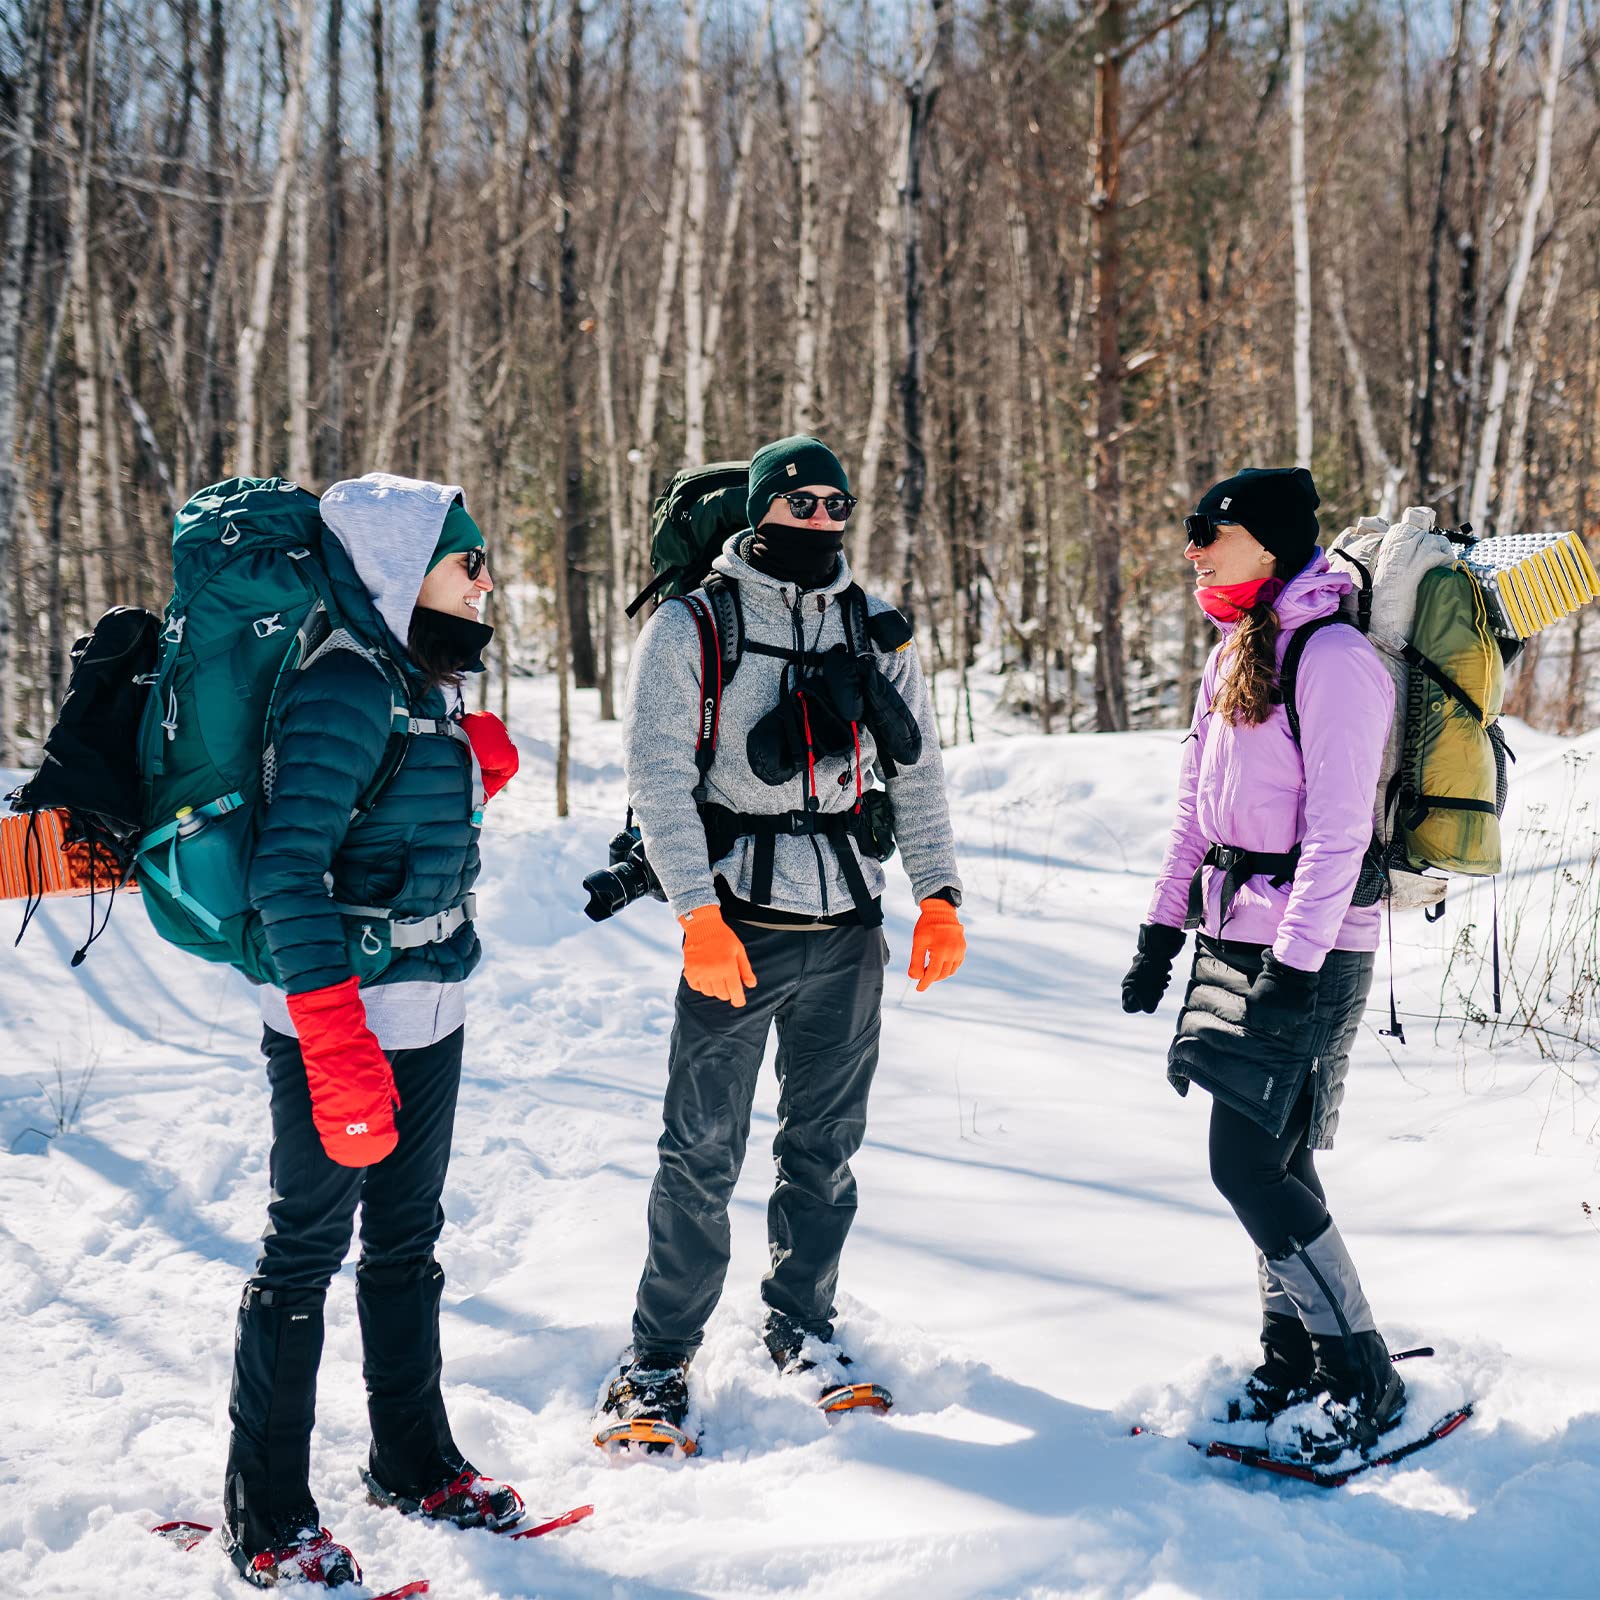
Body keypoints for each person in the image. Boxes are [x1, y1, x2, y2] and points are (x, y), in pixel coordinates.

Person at [604, 435, 966, 1445]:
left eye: (833, 504)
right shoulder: (694, 624)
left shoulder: (872, 625)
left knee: (824, 1149)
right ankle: (656, 1361)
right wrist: (696, 915)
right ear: (760, 508)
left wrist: (938, 893)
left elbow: (920, 772)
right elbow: (660, 782)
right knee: (699, 1152)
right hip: (737, 927)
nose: (816, 517)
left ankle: (803, 1328)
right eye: (797, 501)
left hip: (848, 926)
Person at [223, 474, 523, 1586]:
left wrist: (462, 776)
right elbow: (286, 872)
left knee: (406, 1244)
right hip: (338, 1021)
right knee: (300, 1254)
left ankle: (412, 1458)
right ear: (404, 572)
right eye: (467, 560)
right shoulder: (346, 682)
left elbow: (382, 830)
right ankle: (265, 1514)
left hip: (427, 1006)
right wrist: (334, 1041)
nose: (485, 581)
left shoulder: (418, 678)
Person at [1120, 466, 1406, 1461]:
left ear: (1272, 540)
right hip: (1233, 935)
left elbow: (1336, 833)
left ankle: (1359, 1369)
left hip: (1313, 943)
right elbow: (1197, 814)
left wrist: (1291, 961)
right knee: (1274, 1161)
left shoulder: (1332, 659)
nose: (1195, 543)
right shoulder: (1234, 653)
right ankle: (1293, 1358)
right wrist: (1161, 934)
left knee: (1242, 1163)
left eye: (1214, 527)